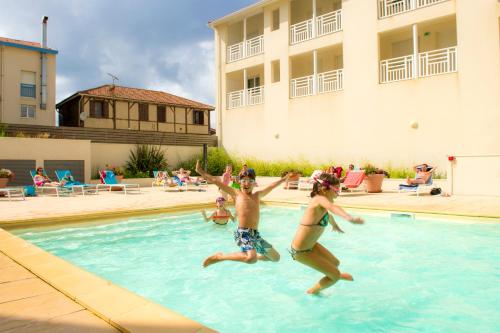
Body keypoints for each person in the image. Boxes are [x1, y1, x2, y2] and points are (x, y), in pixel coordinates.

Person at [195, 160, 296, 267]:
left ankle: (250, 255)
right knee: (251, 259)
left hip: (255, 235)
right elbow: (215, 181)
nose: (246, 183)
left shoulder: (257, 195)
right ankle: (220, 257)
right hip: (243, 233)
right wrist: (200, 171)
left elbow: (271, 186)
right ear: (239, 182)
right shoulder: (236, 194)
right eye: (244, 181)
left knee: (275, 258)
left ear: (254, 183)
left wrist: (284, 179)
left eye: (250, 181)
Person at [290, 172, 364, 295]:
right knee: (334, 276)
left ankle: (334, 275)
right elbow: (332, 207)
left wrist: (334, 225)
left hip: (311, 246)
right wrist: (348, 218)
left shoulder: (321, 203)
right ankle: (312, 292)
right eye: (336, 188)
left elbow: (327, 215)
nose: (338, 191)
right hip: (301, 251)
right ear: (325, 188)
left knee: (335, 263)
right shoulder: (319, 199)